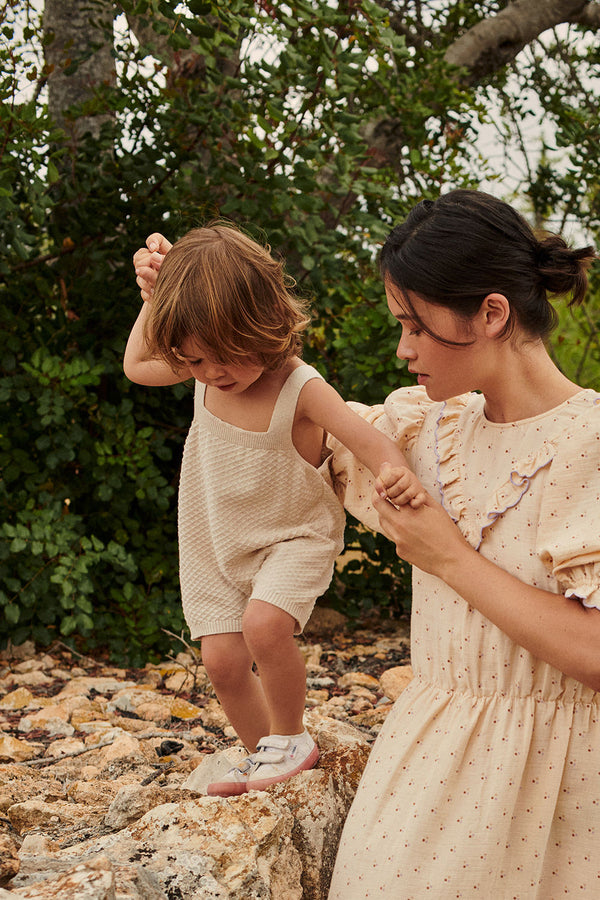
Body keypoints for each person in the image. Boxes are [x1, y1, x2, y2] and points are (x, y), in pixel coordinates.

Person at [324, 189, 600, 897]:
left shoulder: (591, 445)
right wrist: (190, 301)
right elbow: (290, 406)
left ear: (492, 314)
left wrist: (447, 555)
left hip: (566, 803)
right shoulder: (425, 429)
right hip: (422, 781)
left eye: (414, 326)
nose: (402, 348)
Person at [125, 222, 425, 798]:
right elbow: (138, 366)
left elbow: (369, 442)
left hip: (294, 534)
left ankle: (292, 737)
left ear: (260, 327)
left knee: (265, 627)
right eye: (193, 360)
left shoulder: (299, 387)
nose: (212, 374)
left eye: (223, 358)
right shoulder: (202, 369)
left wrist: (396, 476)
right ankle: (265, 757)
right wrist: (155, 301)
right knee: (220, 660)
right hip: (214, 540)